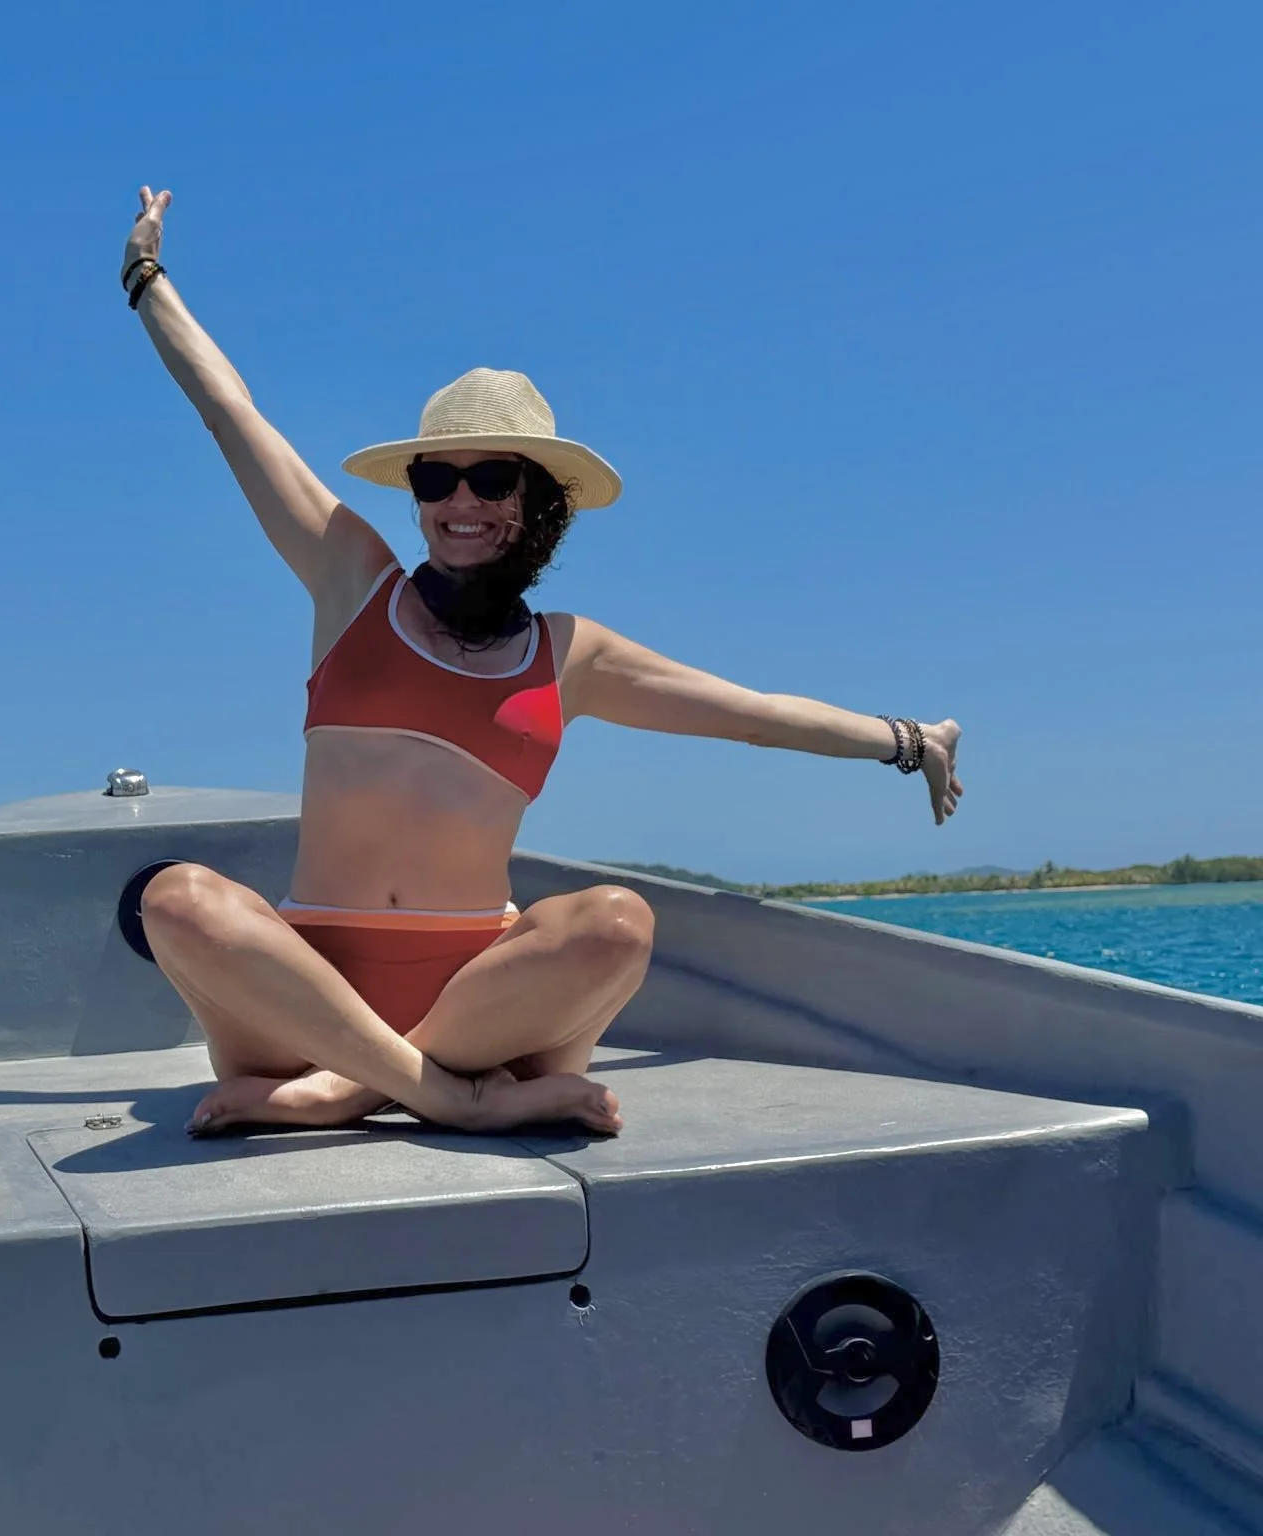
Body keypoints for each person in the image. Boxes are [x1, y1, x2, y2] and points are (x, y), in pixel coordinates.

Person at [121, 187, 963, 1139]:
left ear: (539, 504)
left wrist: (908, 741)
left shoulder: (570, 655)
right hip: (307, 988)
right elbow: (229, 411)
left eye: (492, 479)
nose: (460, 502)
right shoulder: (352, 579)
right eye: (437, 478)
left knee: (618, 924)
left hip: (488, 1001)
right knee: (176, 899)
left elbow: (753, 713)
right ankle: (447, 1096)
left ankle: (351, 1089)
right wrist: (147, 276)